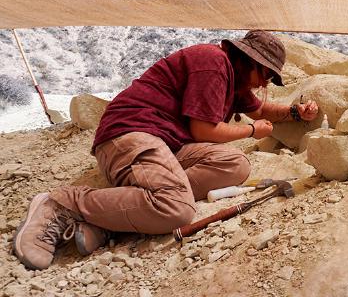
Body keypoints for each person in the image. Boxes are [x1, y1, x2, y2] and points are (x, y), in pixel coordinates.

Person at [13, 30, 319, 270]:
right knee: (178, 208)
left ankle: (106, 218)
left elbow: (261, 109)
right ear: (249, 59)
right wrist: (253, 130)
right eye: (265, 74)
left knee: (235, 166)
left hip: (165, 144)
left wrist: (296, 112)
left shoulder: (234, 81)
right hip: (131, 133)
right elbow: (203, 131)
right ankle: (62, 203)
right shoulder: (213, 63)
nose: (263, 82)